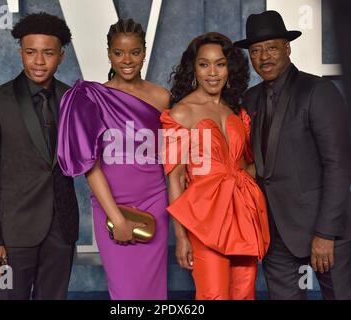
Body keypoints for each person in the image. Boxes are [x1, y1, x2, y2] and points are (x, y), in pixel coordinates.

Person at [234, 10, 351, 300]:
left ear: (287, 48)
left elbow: (338, 165)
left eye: (272, 47)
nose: (264, 57)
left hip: (323, 231)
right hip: (273, 234)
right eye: (256, 51)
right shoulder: (250, 98)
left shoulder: (318, 91)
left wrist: (325, 233)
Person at [57, 18, 170, 300]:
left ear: (144, 52)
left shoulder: (162, 97)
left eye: (134, 52)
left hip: (154, 202)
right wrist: (116, 216)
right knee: (126, 293)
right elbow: (89, 165)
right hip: (112, 205)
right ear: (109, 53)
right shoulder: (91, 97)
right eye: (119, 53)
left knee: (154, 292)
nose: (127, 60)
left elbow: (169, 156)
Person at [0, 12, 79, 299]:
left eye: (48, 53)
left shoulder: (73, 100)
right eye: (31, 52)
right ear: (21, 53)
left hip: (61, 234)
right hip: (10, 237)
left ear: (61, 56)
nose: (39, 61)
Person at [161, 32, 270, 300]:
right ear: (194, 69)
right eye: (204, 64)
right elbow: (174, 178)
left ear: (229, 69)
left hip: (243, 215)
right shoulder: (181, 113)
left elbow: (246, 166)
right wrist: (181, 236)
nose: (212, 72)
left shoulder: (236, 112)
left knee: (244, 293)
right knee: (214, 295)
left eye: (220, 64)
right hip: (204, 220)